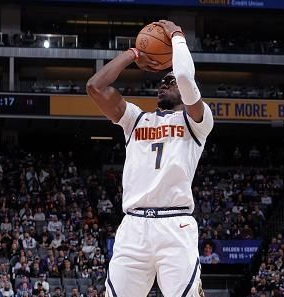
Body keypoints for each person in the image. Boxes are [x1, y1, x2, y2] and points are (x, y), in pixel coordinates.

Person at [86, 19, 213, 297]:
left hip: (174, 225)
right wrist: (134, 53)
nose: (163, 85)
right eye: (161, 81)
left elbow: (184, 77)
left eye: (170, 82)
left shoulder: (197, 121)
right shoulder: (136, 119)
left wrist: (177, 36)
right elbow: (95, 86)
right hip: (133, 226)